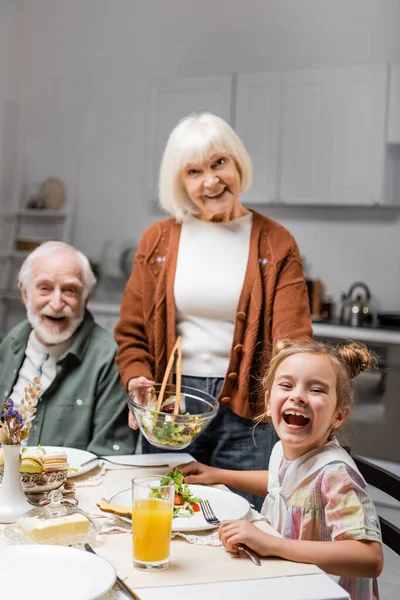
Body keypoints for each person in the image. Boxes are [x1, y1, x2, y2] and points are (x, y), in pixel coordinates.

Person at [115, 112, 312, 508]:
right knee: (158, 514)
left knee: (240, 524)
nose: (211, 180)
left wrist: (291, 396)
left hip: (248, 412)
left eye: (219, 163)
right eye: (194, 171)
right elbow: (132, 332)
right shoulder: (157, 241)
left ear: (237, 162)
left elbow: (292, 341)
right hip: (169, 409)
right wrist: (137, 377)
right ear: (179, 181)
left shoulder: (275, 241)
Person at [178, 340, 383, 600]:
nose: (297, 395)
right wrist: (218, 474)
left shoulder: (335, 473)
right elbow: (282, 485)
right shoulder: (283, 451)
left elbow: (369, 558)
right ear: (267, 401)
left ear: (338, 416)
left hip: (324, 591)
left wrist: (272, 544)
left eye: (316, 389)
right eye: (286, 385)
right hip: (288, 581)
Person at [0, 241, 137, 456]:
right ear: (25, 294)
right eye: (45, 288)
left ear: (86, 298)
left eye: (70, 290)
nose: (56, 303)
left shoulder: (109, 359)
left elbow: (109, 458)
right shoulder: (12, 342)